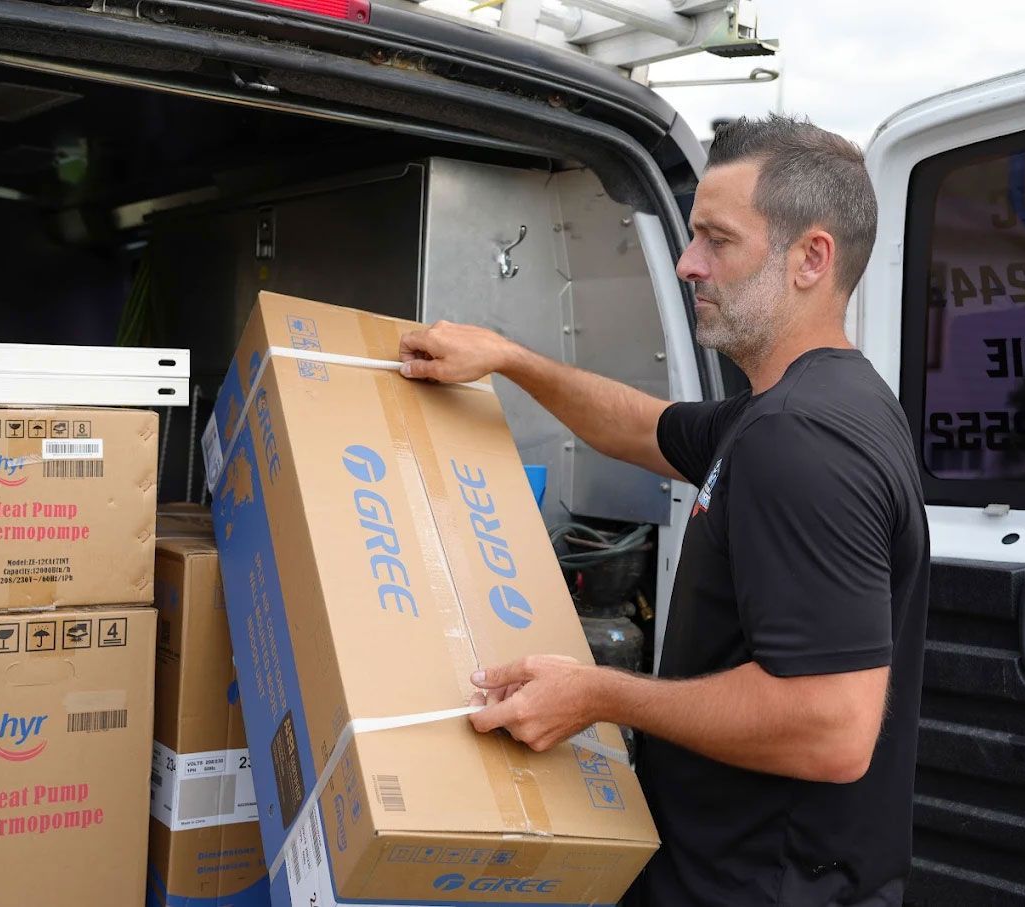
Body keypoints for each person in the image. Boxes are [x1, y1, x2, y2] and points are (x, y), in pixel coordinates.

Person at [398, 114, 929, 907]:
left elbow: (831, 727)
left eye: (717, 240)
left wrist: (600, 692)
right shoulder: (803, 405)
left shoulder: (799, 439)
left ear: (810, 258)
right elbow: (641, 426)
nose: (687, 264)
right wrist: (509, 358)